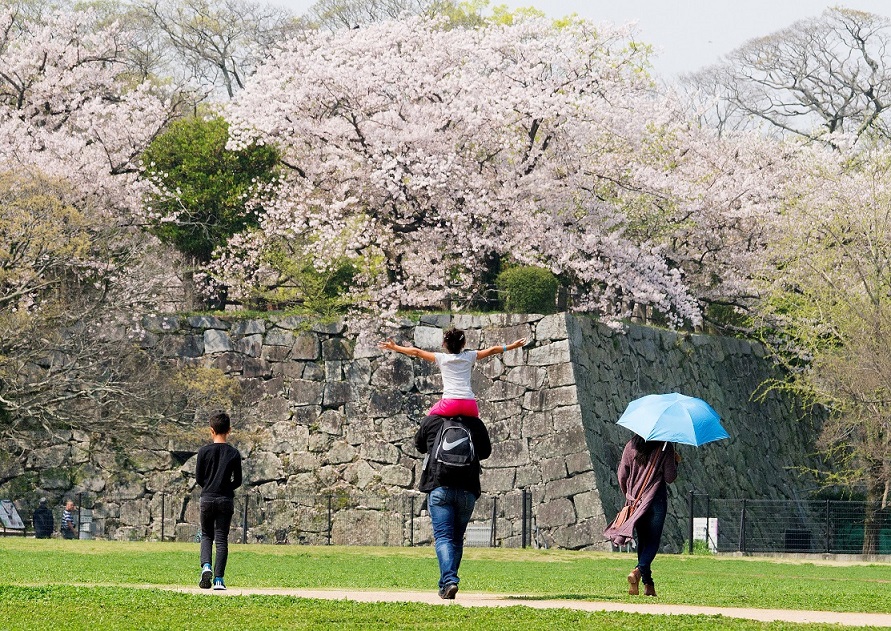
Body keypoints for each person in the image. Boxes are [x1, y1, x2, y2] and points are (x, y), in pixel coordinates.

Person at [414, 412, 491, 600]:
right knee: (456, 539)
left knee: (443, 537)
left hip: (439, 488)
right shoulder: (474, 423)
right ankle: (447, 583)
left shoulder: (432, 421)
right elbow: (486, 452)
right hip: (467, 491)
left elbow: (419, 445)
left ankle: (449, 581)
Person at [379, 328, 526, 417]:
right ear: (464, 345)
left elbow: (416, 352)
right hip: (469, 405)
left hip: (449, 403)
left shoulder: (441, 358)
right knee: (480, 432)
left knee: (429, 421)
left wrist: (396, 347)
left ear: (445, 345)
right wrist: (513, 346)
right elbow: (493, 350)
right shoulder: (470, 356)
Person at [604, 435, 678, 597]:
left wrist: (630, 495)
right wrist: (675, 461)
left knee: (643, 541)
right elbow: (669, 477)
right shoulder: (665, 447)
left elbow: (622, 475)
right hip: (656, 500)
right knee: (651, 542)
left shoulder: (631, 445)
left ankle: (648, 585)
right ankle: (638, 572)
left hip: (636, 502)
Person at [195, 410, 243, 591]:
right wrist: (225, 488)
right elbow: (237, 480)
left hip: (207, 498)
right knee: (222, 539)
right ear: (229, 430)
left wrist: (210, 486)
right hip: (225, 500)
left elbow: (199, 478)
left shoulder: (203, 451)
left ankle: (206, 565)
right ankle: (219, 579)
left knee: (207, 535)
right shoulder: (234, 454)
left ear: (211, 430)